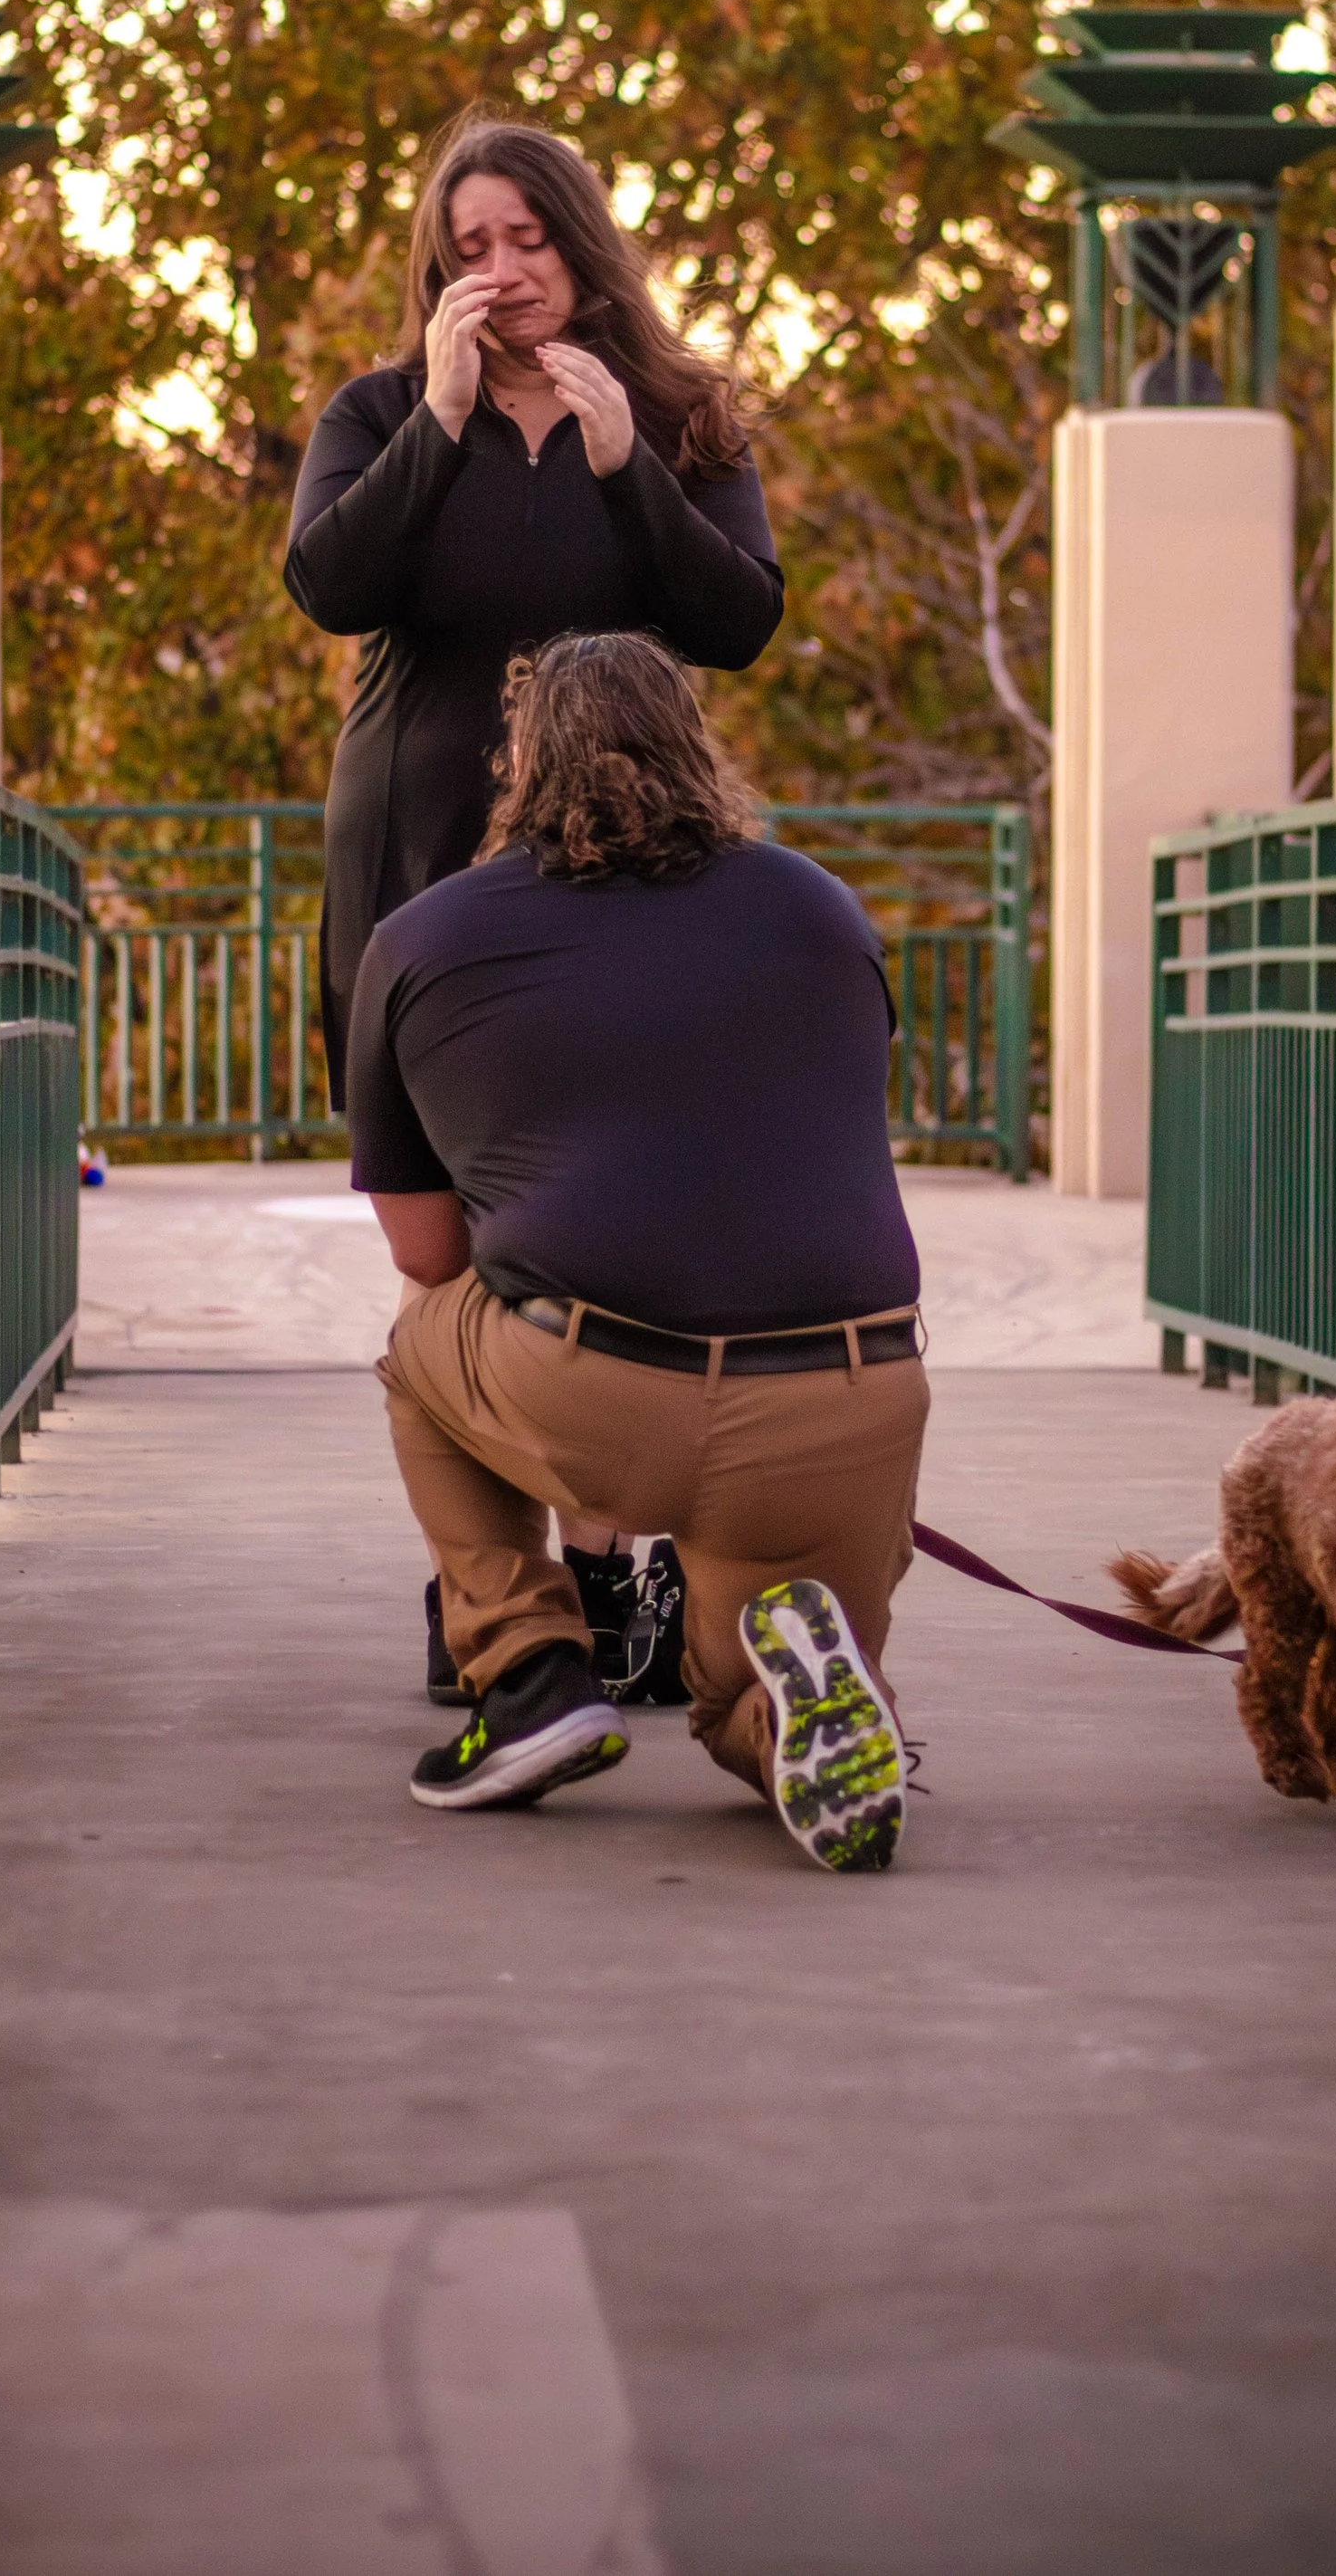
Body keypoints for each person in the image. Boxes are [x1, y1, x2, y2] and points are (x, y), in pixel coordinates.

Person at [284, 111, 785, 1690]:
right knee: (446, 1260)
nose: (502, 273)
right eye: (469, 248)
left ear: (581, 239)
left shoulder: (685, 418)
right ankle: (500, 1596)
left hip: (612, 874)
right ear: (437, 269)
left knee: (591, 1224)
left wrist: (629, 465)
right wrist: (437, 424)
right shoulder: (376, 411)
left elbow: (738, 623)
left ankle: (597, 1576)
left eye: (529, 238)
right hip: (413, 869)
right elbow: (332, 588)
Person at [348, 631, 930, 1874]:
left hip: (604, 1388)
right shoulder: (824, 906)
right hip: (850, 1393)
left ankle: (528, 1676)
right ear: (698, 751)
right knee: (726, 1704)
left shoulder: (423, 939)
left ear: (517, 761)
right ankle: (790, 1708)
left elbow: (429, 1245)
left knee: (418, 1352)